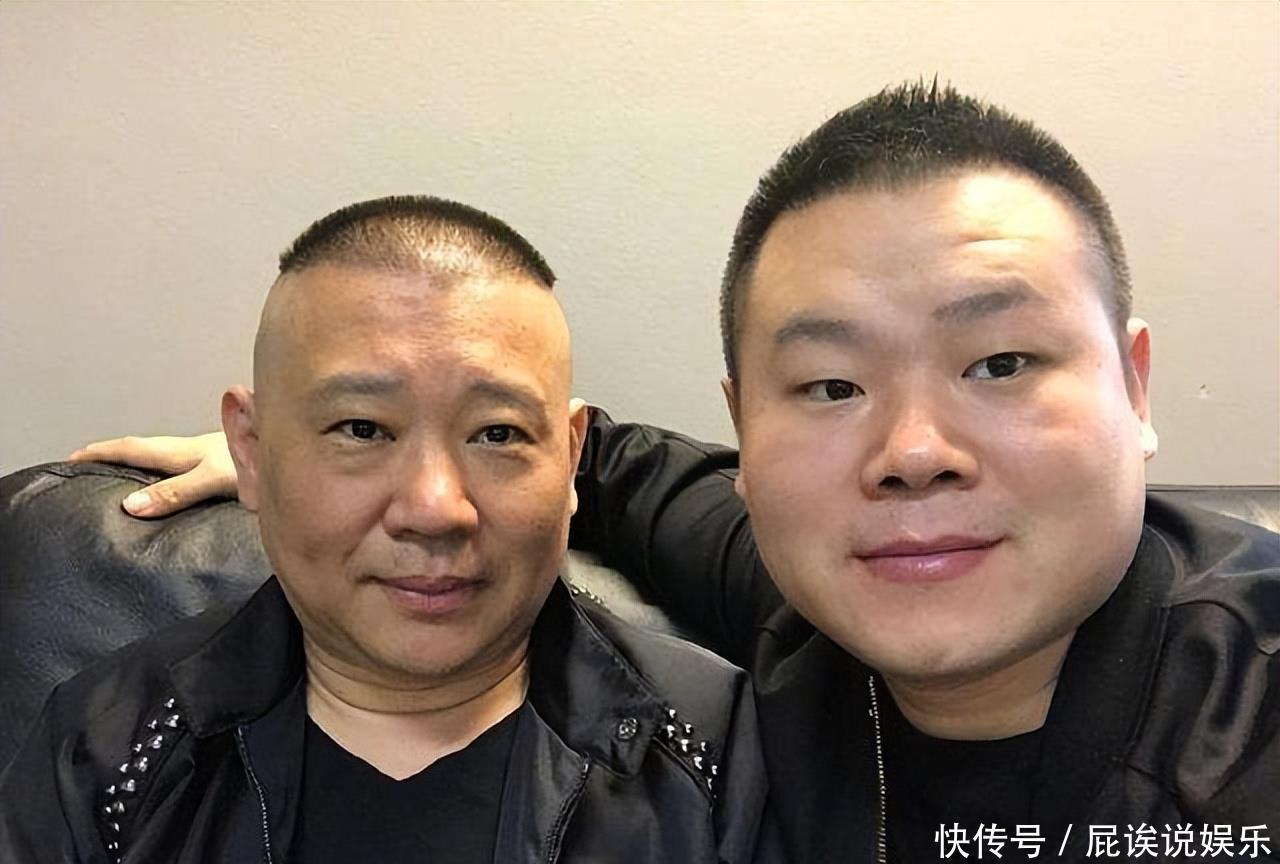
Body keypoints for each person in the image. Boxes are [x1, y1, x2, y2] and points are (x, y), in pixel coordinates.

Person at [68, 82, 1280, 862]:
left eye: (999, 362)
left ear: (1132, 387)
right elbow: (614, 461)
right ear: (746, 435)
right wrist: (311, 452)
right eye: (829, 386)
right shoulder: (809, 609)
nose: (912, 454)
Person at [0, 196, 769, 864]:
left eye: (498, 434)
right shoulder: (109, 754)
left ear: (571, 459)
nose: (435, 508)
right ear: (253, 453)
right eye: (362, 429)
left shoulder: (719, 754)